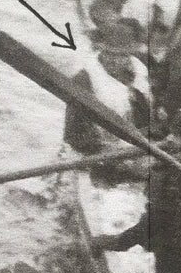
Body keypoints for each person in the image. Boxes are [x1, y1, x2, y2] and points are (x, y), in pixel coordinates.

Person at [92, 107, 181, 273]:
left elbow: (157, 217)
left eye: (177, 135)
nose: (170, 138)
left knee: (165, 268)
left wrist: (119, 242)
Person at [63, 23, 153, 167]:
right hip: (93, 154)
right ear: (101, 49)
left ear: (129, 53)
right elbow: (74, 133)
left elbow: (146, 117)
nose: (115, 60)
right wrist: (107, 151)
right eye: (109, 53)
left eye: (122, 55)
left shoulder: (140, 71)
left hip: (131, 151)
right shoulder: (85, 78)